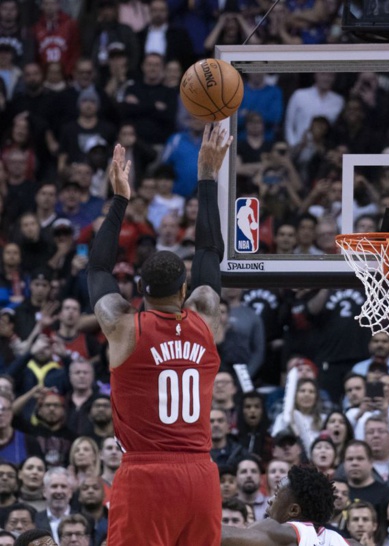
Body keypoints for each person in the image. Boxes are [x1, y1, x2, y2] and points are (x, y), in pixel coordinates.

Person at [86, 124, 232, 544]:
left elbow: (97, 268)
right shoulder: (205, 318)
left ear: (138, 292)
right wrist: (207, 178)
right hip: (201, 476)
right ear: (184, 292)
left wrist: (120, 200)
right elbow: (208, 252)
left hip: (147, 474)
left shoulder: (123, 326)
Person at [221, 464, 357, 545]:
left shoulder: (280, 532)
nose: (270, 500)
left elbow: (223, 537)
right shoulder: (346, 542)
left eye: (276, 493)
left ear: (293, 510)